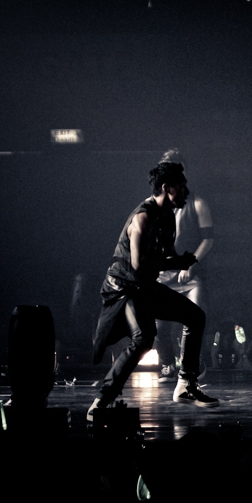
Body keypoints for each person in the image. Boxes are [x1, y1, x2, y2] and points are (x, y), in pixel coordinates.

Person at [88, 162, 218, 421]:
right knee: (144, 339)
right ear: (167, 188)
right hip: (125, 287)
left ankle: (186, 384)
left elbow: (165, 255)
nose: (186, 192)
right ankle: (101, 402)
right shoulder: (143, 217)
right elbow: (138, 264)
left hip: (144, 286)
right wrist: (175, 263)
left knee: (195, 316)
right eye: (181, 187)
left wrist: (180, 260)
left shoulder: (169, 215)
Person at [154, 148, 214, 382]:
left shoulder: (197, 203)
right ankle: (168, 364)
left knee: (195, 319)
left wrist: (190, 266)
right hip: (162, 275)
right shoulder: (154, 205)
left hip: (190, 276)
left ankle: (192, 364)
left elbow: (208, 240)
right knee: (158, 326)